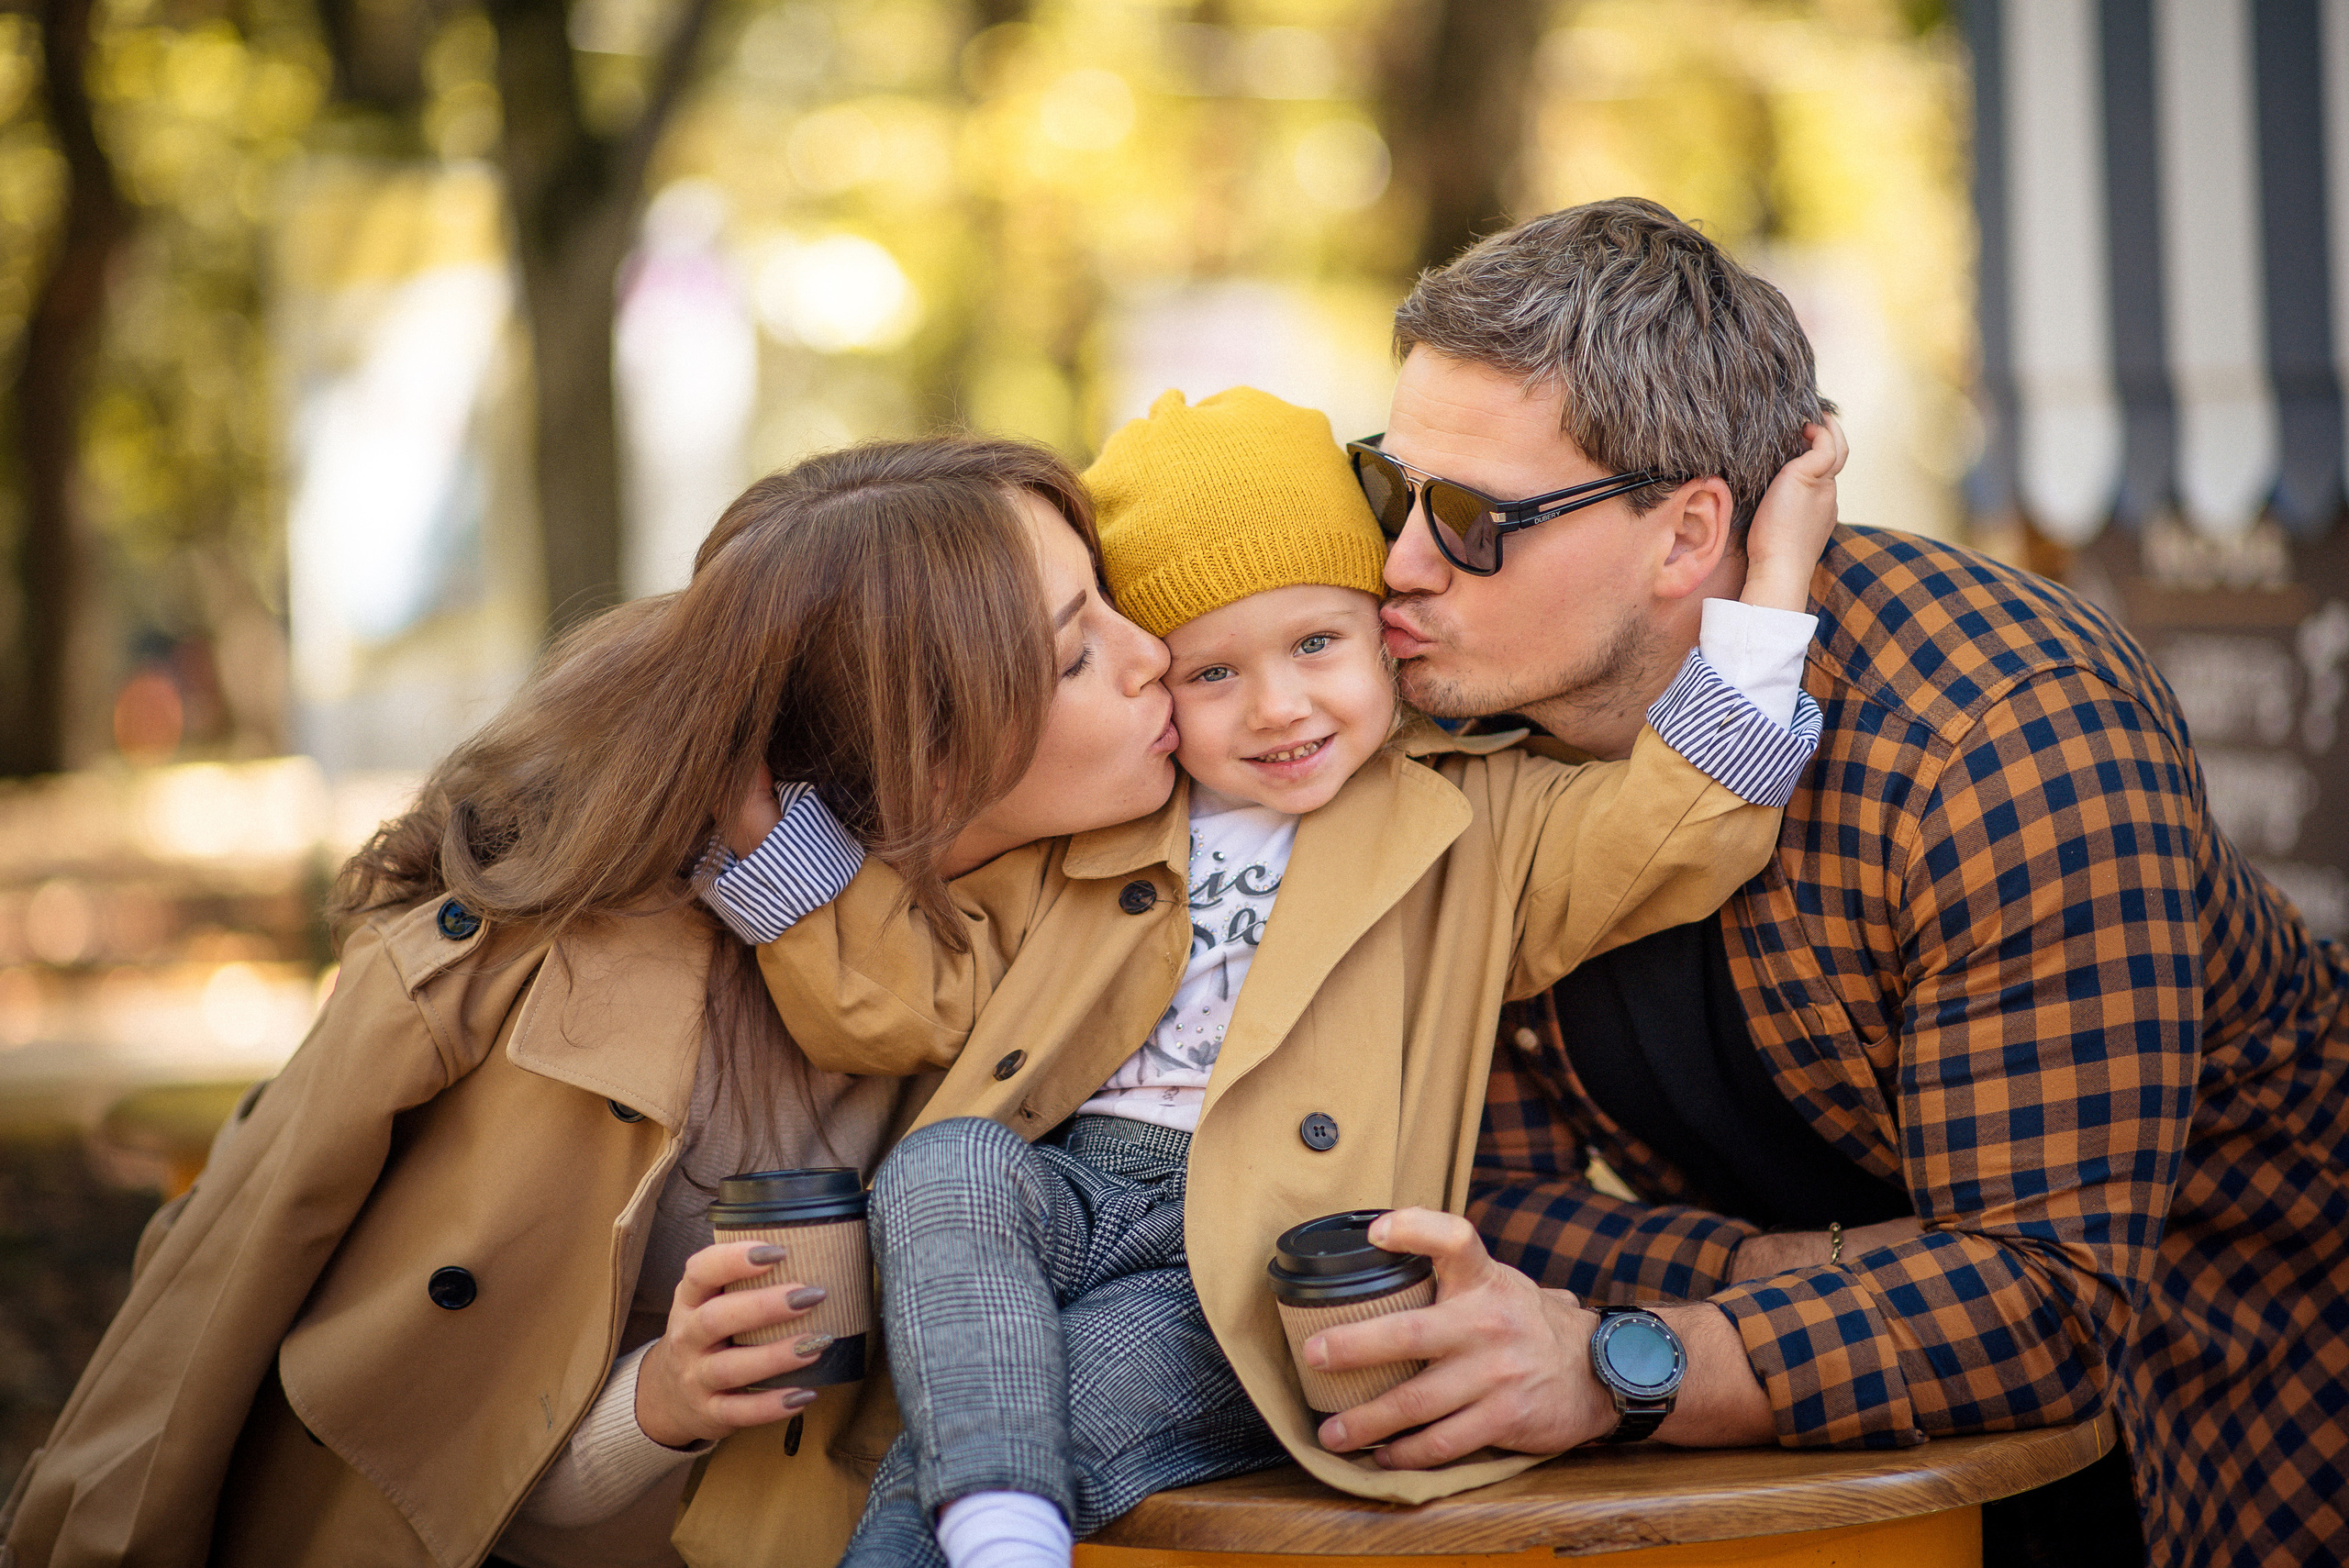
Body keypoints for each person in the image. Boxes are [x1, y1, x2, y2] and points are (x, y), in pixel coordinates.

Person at [1292, 198, 2349, 1568]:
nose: (1400, 565)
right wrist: (1781, 1274)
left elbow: (2043, 1296)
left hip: (2228, 1417)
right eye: (1385, 484)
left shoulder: (2002, 736)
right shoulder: (1443, 732)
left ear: (1687, 537)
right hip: (1810, 1464)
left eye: (1472, 518)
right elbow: (1467, 1192)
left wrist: (1618, 1355)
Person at [702, 385, 1840, 1568]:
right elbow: (894, 1001)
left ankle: (997, 1532)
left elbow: (1681, 826)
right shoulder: (1104, 831)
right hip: (1070, 1189)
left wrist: (1778, 574)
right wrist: (760, 810)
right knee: (946, 1164)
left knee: (1040, 1419)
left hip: (1248, 1257)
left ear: (1385, 634)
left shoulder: (1469, 823)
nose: (1279, 708)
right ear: (1154, 681)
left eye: (1315, 644)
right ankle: (1000, 1514)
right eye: (1212, 674)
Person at [0, 439, 1189, 1568]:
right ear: (917, 749)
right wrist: (658, 1400)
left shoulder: (1102, 902)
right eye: (1075, 652)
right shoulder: (540, 979)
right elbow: (259, 1369)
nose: (1155, 656)